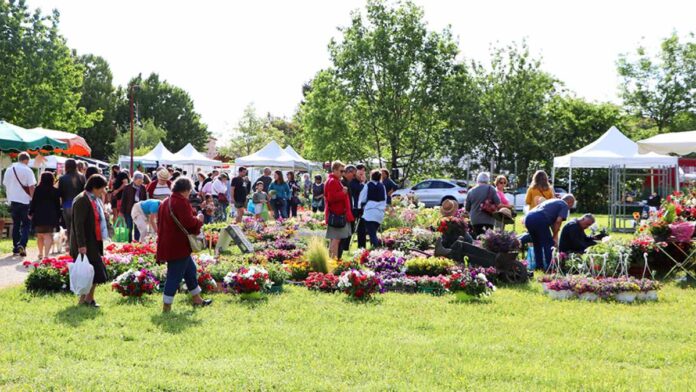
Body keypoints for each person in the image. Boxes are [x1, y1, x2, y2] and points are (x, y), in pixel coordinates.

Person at [157, 177, 212, 312]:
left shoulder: (166, 201)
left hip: (169, 243)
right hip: (178, 245)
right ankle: (166, 306)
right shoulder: (181, 202)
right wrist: (199, 220)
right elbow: (189, 223)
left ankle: (197, 299)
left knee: (190, 271)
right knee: (174, 275)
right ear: (186, 190)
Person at [69, 175, 110, 307]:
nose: (103, 191)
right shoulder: (82, 200)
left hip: (94, 240)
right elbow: (78, 224)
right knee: (90, 272)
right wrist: (81, 245)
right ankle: (84, 300)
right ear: (94, 187)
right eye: (102, 188)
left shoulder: (94, 199)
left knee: (94, 272)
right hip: (85, 242)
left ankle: (88, 299)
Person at [524, 194, 576, 270]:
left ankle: (539, 267)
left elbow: (553, 223)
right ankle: (550, 267)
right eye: (572, 204)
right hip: (540, 219)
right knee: (548, 244)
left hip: (528, 218)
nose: (571, 207)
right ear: (570, 202)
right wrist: (554, 236)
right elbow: (558, 221)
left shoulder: (553, 201)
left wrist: (554, 234)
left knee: (537, 244)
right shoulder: (564, 205)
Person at [2, 152, 36, 256]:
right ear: (26, 160)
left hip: (13, 201)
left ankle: (16, 247)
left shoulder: (9, 169)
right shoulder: (28, 170)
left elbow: (5, 184)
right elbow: (31, 187)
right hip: (25, 201)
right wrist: (34, 201)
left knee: (16, 224)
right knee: (26, 224)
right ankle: (22, 244)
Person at [325, 161, 354, 259]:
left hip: (337, 214)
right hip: (337, 214)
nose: (343, 173)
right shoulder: (332, 181)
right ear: (334, 170)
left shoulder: (334, 180)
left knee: (335, 239)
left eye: (344, 171)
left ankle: (332, 260)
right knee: (336, 239)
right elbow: (330, 198)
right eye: (341, 171)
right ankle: (333, 261)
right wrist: (343, 193)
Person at [30, 172, 61, 260]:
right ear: (52, 180)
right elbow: (58, 205)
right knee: (48, 235)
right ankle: (46, 255)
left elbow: (34, 202)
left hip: (39, 214)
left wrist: (30, 212)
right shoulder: (55, 191)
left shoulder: (38, 189)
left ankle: (40, 253)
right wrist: (58, 216)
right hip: (51, 215)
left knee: (40, 235)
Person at [57, 159, 86, 250]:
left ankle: (70, 244)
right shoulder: (82, 177)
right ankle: (80, 244)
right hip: (80, 204)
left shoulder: (62, 178)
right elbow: (85, 191)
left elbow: (60, 193)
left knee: (69, 226)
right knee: (79, 226)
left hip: (67, 205)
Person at [465, 172, 501, 237]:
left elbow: (467, 208)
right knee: (487, 240)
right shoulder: (491, 189)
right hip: (489, 220)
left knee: (478, 239)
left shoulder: (471, 191)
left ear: (477, 180)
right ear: (488, 180)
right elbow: (498, 202)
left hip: (475, 220)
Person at [358, 170, 387, 248]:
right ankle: (373, 250)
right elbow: (385, 199)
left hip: (370, 213)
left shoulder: (368, 185)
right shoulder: (382, 186)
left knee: (372, 234)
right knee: (373, 232)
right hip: (379, 213)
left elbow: (362, 198)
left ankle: (377, 250)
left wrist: (360, 207)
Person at [343, 165, 366, 250]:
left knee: (362, 228)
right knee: (351, 228)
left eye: (363, 173)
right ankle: (345, 246)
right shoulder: (352, 182)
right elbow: (358, 189)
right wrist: (363, 183)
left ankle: (362, 246)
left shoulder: (361, 182)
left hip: (360, 208)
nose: (362, 175)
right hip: (353, 208)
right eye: (360, 173)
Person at [120, 173, 148, 242]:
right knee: (129, 227)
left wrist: (145, 211)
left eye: (141, 181)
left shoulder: (143, 188)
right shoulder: (127, 187)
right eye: (139, 181)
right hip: (128, 210)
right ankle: (129, 241)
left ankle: (137, 241)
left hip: (139, 210)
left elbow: (145, 200)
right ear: (134, 180)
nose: (140, 182)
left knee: (138, 227)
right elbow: (123, 200)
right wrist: (121, 211)